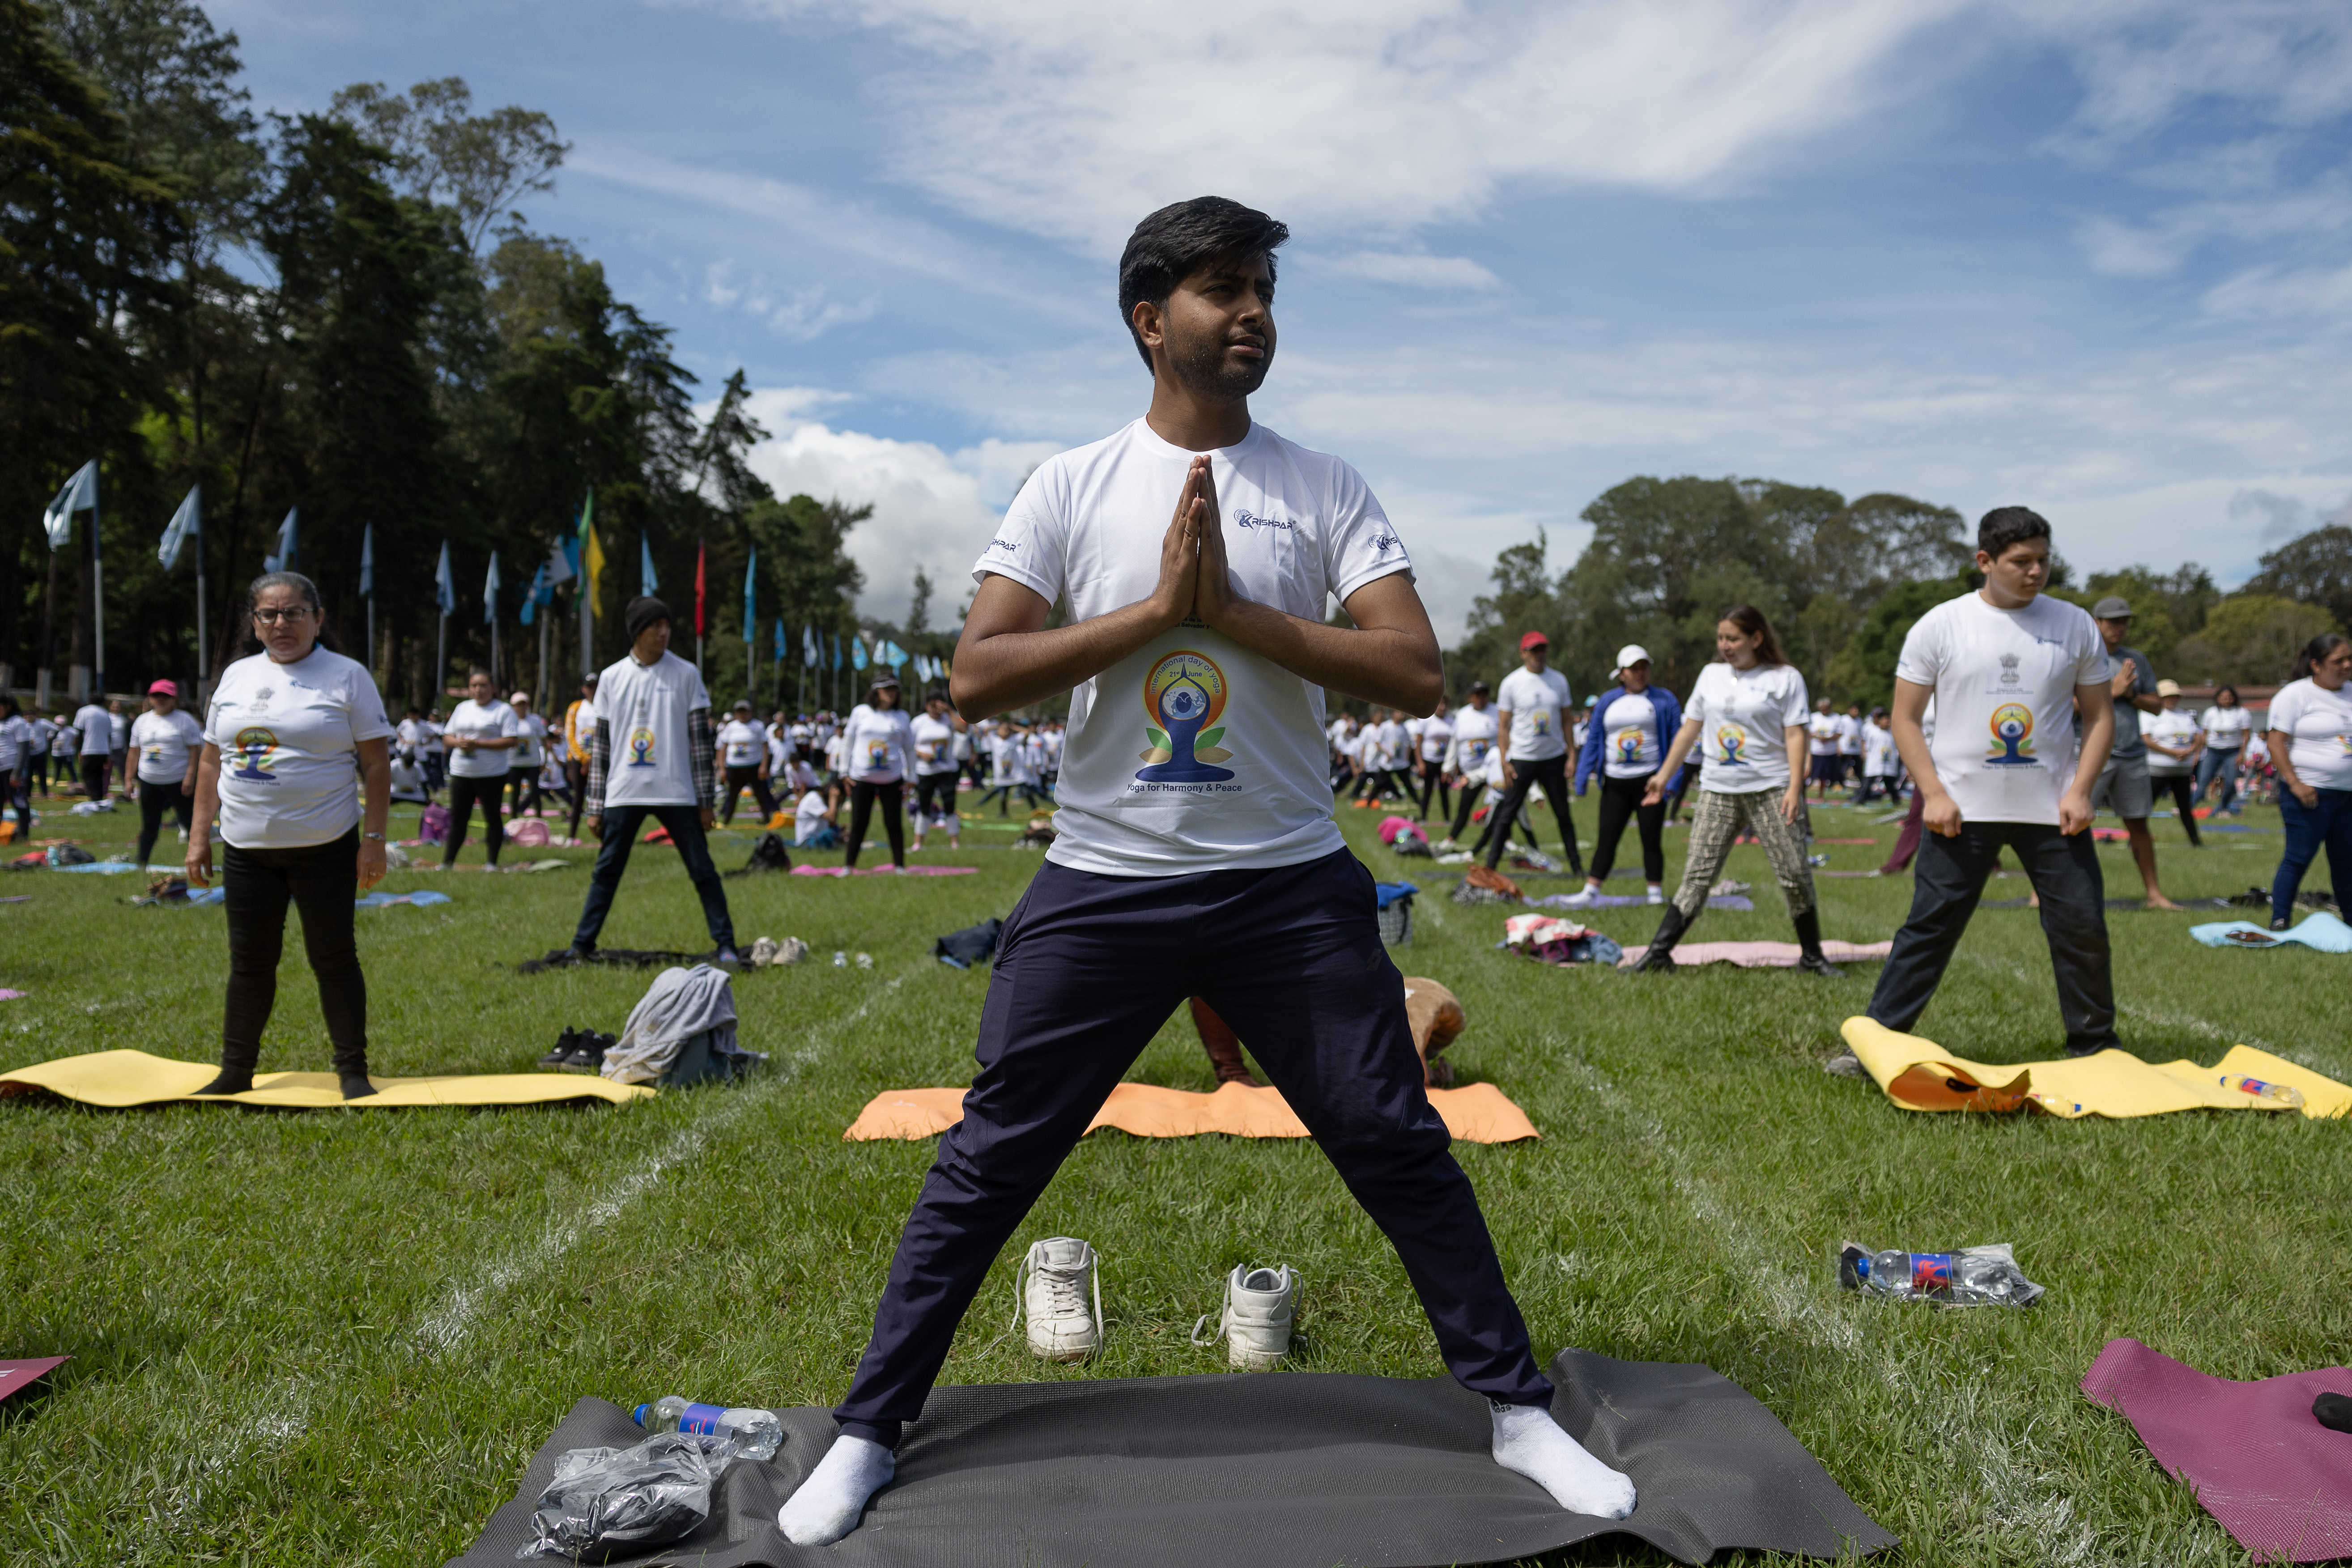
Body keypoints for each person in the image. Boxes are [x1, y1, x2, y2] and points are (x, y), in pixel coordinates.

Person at [778, 196, 1633, 1547]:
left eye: (1264, 290)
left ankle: (1519, 1412)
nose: (1253, 313)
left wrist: (1232, 613)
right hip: (1102, 879)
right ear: (1149, 318)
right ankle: (872, 1428)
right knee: (991, 1156)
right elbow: (978, 675)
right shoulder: (1072, 483)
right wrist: (1154, 616)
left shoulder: (1324, 484)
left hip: (1286, 885)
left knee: (1398, 1142)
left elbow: (1413, 666)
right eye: (1223, 289)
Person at [1837, 506, 2120, 1067]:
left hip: (2054, 809)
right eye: (2021, 562)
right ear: (1985, 561)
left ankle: (2095, 1048)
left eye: (2043, 560)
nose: (2036, 571)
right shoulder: (1940, 625)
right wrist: (1935, 794)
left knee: (2082, 924)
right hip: (1960, 810)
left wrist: (2081, 790)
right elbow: (1905, 719)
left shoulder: (2075, 623)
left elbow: (2101, 715)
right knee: (1930, 927)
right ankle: (1879, 1043)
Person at [186, 571, 394, 1100]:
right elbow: (211, 762)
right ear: (254, 624)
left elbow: (375, 765)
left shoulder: (347, 676)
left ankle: (352, 1071)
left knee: (334, 958)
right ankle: (236, 1071)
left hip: (326, 845)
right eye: (269, 614)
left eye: (295, 612)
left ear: (318, 619)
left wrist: (373, 839)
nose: (282, 623)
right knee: (249, 963)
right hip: (246, 849)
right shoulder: (234, 677)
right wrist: (198, 837)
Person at [1631, 606, 1828, 973]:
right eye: (1721, 638)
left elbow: (1795, 732)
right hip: (1717, 790)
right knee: (1697, 875)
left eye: (1733, 638)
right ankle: (1658, 954)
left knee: (1794, 874)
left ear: (1757, 638)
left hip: (1770, 789)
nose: (1725, 645)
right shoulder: (1710, 675)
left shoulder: (1784, 677)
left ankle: (1812, 957)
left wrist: (1793, 787)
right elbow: (1689, 729)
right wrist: (1663, 776)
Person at [570, 597, 740, 963]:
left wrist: (706, 802)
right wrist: (595, 807)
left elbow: (700, 744)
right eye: (655, 626)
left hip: (676, 791)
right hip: (622, 791)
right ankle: (581, 945)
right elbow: (600, 749)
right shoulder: (612, 678)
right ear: (637, 631)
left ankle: (725, 944)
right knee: (606, 872)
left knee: (703, 870)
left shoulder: (686, 674)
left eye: (667, 625)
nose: (664, 633)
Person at [2085, 596, 2179, 909]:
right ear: (2096, 623)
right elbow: (2061, 707)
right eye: (2112, 621)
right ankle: (2058, 894)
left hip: (2131, 753)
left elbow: (2156, 706)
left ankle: (2154, 894)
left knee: (2138, 824)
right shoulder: (2081, 656)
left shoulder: (2135, 659)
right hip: (2088, 753)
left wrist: (2130, 694)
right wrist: (2110, 692)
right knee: (2073, 823)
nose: (2120, 627)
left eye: (2124, 620)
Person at [1570, 644, 1680, 906]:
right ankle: (1591, 891)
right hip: (1615, 784)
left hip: (1651, 783)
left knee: (1651, 839)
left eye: (1644, 667)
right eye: (1634, 669)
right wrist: (1582, 777)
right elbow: (1594, 739)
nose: (1640, 673)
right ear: (1621, 674)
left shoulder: (1665, 700)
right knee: (1607, 838)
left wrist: (1672, 782)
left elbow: (1678, 742)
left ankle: (1654, 894)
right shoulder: (1608, 701)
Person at [2264, 632, 2352, 932]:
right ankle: (2279, 921)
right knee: (2298, 858)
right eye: (2338, 661)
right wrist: (2296, 783)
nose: (2346, 665)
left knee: (2346, 864)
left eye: (2349, 658)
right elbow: (2276, 742)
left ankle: (2350, 924)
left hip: (2347, 796)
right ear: (2316, 664)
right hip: (2309, 794)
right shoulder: (2294, 695)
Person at [1484, 632, 1583, 876]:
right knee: (1506, 814)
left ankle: (1578, 869)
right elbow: (1503, 727)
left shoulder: (1559, 680)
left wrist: (1571, 755)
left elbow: (1568, 722)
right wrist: (1504, 760)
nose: (1538, 654)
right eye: (1533, 650)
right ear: (1523, 653)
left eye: (1542, 649)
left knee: (1564, 815)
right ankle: (1490, 869)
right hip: (1522, 759)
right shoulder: (1512, 683)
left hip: (1553, 758)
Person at [439, 670, 519, 870]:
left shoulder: (503, 710)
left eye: (483, 685)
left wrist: (479, 744)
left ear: (493, 688)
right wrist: (459, 743)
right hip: (461, 772)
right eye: (474, 685)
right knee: (458, 818)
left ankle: (491, 863)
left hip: (491, 773)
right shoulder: (462, 708)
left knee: (492, 817)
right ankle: (447, 863)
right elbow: (447, 736)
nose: (478, 690)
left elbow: (511, 740)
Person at [839, 673, 915, 870]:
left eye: (894, 689)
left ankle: (899, 867)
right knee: (858, 824)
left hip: (892, 779)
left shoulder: (902, 716)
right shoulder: (861, 712)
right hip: (861, 778)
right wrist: (843, 772)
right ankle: (849, 867)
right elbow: (848, 742)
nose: (892, 693)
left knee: (894, 824)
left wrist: (912, 777)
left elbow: (909, 748)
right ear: (876, 691)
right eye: (887, 689)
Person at [129, 680, 203, 866]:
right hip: (149, 780)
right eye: (156, 695)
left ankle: (200, 861)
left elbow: (195, 751)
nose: (160, 699)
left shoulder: (185, 720)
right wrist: (129, 778)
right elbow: (134, 751)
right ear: (150, 698)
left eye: (165, 695)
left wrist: (190, 777)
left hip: (178, 781)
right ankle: (141, 862)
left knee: (190, 824)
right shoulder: (142, 721)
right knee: (149, 824)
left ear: (173, 698)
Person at [1437, 680, 1497, 850]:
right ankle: (1451, 839)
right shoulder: (1462, 715)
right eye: (1477, 695)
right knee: (1465, 807)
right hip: (1470, 773)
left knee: (1502, 805)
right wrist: (1448, 768)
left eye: (1484, 694)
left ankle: (1506, 840)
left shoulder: (1497, 712)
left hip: (1493, 770)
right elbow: (1455, 743)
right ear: (1471, 697)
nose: (1481, 698)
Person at [2142, 680, 2203, 847]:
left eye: (2175, 696)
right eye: (2168, 696)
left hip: (2182, 771)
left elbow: (2199, 737)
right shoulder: (2149, 714)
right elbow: (2146, 740)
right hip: (2157, 769)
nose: (2172, 699)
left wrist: (2190, 751)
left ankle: (2196, 842)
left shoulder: (2185, 715)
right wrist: (2173, 752)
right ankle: (2136, 840)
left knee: (2185, 809)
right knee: (2146, 808)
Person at [910, 689, 964, 853]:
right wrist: (921, 753)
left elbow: (963, 729)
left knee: (949, 806)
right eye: (932, 706)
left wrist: (949, 711)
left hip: (947, 770)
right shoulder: (919, 722)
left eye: (939, 706)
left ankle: (955, 843)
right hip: (925, 770)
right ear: (926, 706)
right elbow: (908, 744)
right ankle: (918, 843)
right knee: (924, 806)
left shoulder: (948, 719)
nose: (935, 710)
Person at [716, 699, 779, 825]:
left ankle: (767, 818)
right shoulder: (731, 727)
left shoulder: (758, 726)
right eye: (740, 712)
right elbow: (722, 749)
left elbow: (765, 747)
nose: (742, 715)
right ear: (736, 714)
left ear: (750, 712)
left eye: (745, 712)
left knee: (760, 793)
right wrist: (722, 768)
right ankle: (727, 820)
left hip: (753, 766)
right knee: (732, 795)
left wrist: (764, 766)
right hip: (734, 767)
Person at [2196, 684, 2250, 816]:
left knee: (2231, 782)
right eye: (2223, 698)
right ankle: (2189, 807)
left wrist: (2242, 754)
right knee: (2203, 781)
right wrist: (2197, 753)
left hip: (2232, 751)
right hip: (2213, 751)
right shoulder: (2210, 713)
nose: (2226, 700)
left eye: (2229, 698)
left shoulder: (2242, 713)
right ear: (2218, 698)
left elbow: (2246, 736)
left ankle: (2223, 806)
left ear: (2234, 698)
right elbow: (2204, 735)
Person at [564, 673, 598, 842]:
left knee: (602, 797)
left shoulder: (606, 706)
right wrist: (584, 758)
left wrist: (596, 757)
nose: (593, 690)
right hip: (579, 760)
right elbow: (570, 736)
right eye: (589, 686)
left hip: (600, 758)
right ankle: (572, 836)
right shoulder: (576, 707)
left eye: (596, 686)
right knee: (578, 798)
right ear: (583, 689)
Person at [507, 692, 548, 821]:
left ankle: (539, 819)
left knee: (535, 791)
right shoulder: (508, 721)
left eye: (524, 704)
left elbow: (545, 742)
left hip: (533, 762)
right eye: (518, 704)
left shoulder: (535, 720)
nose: (521, 707)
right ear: (512, 706)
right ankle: (513, 819)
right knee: (515, 792)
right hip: (514, 763)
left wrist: (544, 761)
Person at [1414, 699, 1452, 821]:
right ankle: (1424, 818)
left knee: (1444, 791)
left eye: (1445, 705)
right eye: (1441, 704)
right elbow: (1418, 743)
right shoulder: (1426, 720)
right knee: (1428, 790)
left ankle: (1447, 819)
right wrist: (1420, 762)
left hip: (1444, 761)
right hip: (1429, 760)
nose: (1443, 707)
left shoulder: (1451, 721)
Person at [1856, 706, 1899, 806]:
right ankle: (1861, 799)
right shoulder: (1872, 731)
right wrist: (1864, 753)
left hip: (1889, 762)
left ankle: (1896, 800)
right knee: (1868, 782)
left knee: (1890, 783)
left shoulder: (1892, 733)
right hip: (1875, 761)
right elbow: (1865, 743)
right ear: (1879, 721)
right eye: (1885, 720)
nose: (1887, 722)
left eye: (1889, 720)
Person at [73, 693, 112, 800]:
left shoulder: (83, 711)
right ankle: (99, 797)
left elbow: (80, 732)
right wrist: (109, 752)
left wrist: (79, 750)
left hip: (89, 748)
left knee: (87, 775)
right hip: (104, 749)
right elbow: (109, 735)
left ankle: (94, 798)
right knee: (99, 775)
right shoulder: (106, 713)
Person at [1806, 697, 1841, 802]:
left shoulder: (1836, 718)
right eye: (1822, 709)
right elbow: (1807, 732)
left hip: (1830, 752)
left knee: (1824, 776)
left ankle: (1821, 795)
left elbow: (1839, 733)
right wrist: (1818, 737)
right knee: (1811, 774)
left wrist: (1828, 738)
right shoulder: (1814, 717)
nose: (1824, 711)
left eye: (1826, 709)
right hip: (1816, 751)